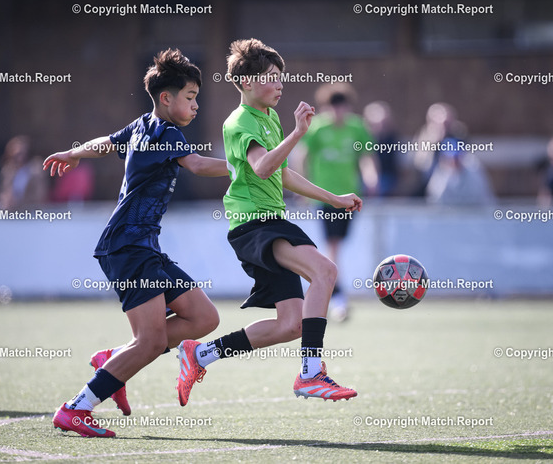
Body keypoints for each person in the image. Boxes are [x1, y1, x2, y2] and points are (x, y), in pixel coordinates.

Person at [44, 49, 226, 437]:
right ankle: (76, 408)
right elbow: (197, 165)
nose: (196, 105)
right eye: (191, 96)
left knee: (204, 318)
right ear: (167, 98)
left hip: (144, 247)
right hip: (128, 246)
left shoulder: (144, 124)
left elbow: (106, 142)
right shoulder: (167, 132)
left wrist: (75, 152)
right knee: (151, 341)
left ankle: (114, 359)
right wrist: (250, 167)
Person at [176, 39, 362, 407]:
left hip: (268, 221)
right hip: (254, 224)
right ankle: (311, 373)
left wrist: (333, 198)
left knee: (291, 325)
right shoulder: (239, 122)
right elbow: (262, 168)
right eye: (271, 77)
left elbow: (283, 174)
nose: (280, 85)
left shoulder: (270, 118)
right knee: (325, 270)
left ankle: (200, 355)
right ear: (246, 81)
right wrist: (298, 134)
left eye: (281, 77)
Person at [297, 83, 378, 321]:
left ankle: (329, 292)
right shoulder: (317, 128)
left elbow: (366, 157)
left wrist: (371, 177)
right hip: (324, 196)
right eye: (332, 107)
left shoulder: (357, 127)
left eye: (341, 107)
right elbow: (303, 156)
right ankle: (338, 299)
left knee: (338, 245)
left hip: (350, 197)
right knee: (333, 245)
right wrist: (302, 189)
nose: (337, 112)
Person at [0, 135, 48, 210]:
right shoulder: (7, 171)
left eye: (21, 153)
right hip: (13, 212)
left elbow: (40, 194)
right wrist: (5, 200)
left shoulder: (36, 169)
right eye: (16, 154)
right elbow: (4, 191)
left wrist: (20, 202)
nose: (19, 157)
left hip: (32, 210)